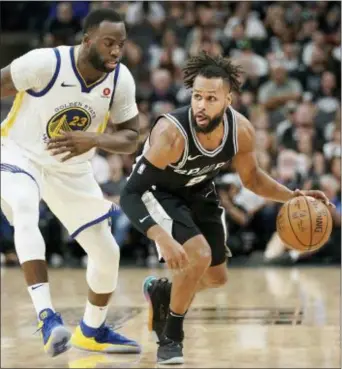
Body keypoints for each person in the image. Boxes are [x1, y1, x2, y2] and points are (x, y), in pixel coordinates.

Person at [119, 51, 331, 365]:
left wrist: (294, 198)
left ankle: (164, 293)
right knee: (199, 255)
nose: (201, 105)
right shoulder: (171, 135)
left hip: (198, 191)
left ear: (228, 99)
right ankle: (171, 338)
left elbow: (254, 179)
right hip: (157, 192)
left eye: (211, 98)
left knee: (217, 277)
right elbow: (129, 194)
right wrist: (161, 236)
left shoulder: (241, 131)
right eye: (197, 96)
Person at [0, 8, 141, 357]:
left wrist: (95, 139)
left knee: (108, 252)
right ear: (88, 39)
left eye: (120, 45)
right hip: (21, 153)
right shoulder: (43, 63)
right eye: (108, 43)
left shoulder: (120, 80)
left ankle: (92, 331)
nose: (115, 51)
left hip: (71, 170)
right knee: (24, 206)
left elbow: (131, 137)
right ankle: (47, 317)